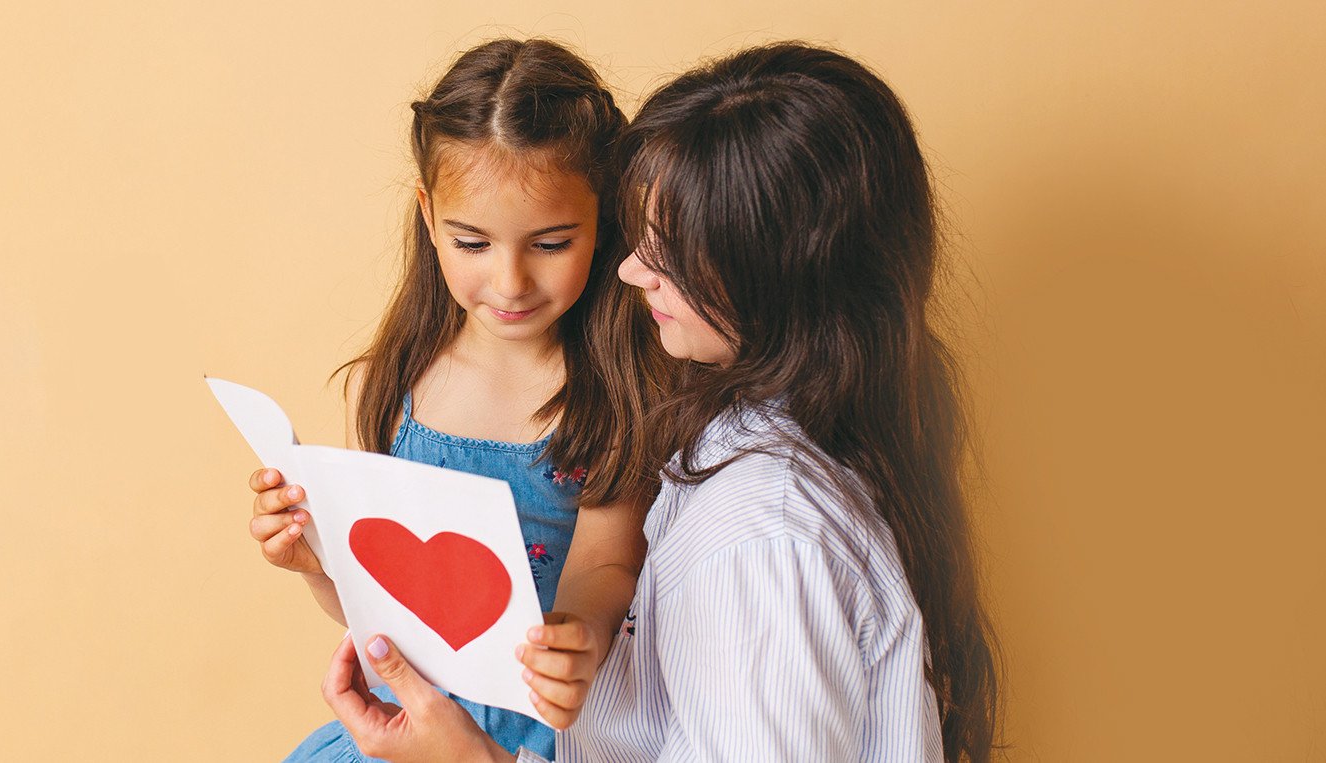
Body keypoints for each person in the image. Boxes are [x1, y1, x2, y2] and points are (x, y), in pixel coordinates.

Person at [317, 41, 1002, 762]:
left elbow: (609, 572)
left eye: (668, 246)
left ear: (766, 267)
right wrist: (317, 558)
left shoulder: (762, 539)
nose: (630, 268)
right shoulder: (727, 446)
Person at [245, 38, 673, 760]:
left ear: (602, 220)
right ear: (428, 214)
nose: (510, 282)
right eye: (472, 243)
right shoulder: (390, 383)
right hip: (398, 731)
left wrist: (578, 636)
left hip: (530, 739)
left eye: (551, 243)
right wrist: (312, 559)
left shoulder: (614, 394)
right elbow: (378, 607)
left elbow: (607, 564)